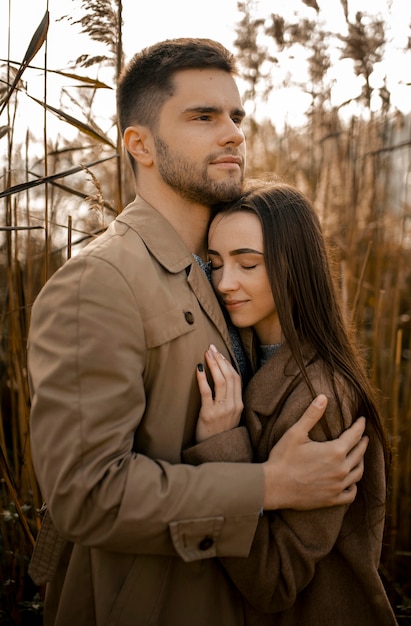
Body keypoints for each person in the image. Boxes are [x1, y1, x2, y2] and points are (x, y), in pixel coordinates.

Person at [27, 39, 368, 626]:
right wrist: (266, 486)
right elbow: (86, 495)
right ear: (140, 145)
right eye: (203, 116)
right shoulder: (99, 282)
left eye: (236, 115)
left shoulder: (224, 266)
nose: (234, 132)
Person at [185, 180, 397, 625]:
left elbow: (274, 580)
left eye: (247, 264)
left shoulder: (320, 399)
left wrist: (223, 447)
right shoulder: (241, 353)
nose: (225, 282)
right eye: (216, 263)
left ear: (294, 266)